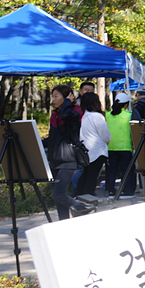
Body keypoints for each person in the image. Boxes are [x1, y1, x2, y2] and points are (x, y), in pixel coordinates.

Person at [45, 84, 93, 219]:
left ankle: (82, 208)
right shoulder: (55, 115)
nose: (53, 100)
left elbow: (66, 115)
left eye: (56, 96)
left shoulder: (76, 112)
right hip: (54, 160)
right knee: (58, 198)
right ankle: (63, 223)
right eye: (52, 97)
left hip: (68, 159)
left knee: (59, 194)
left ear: (67, 97)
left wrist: (68, 102)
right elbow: (53, 137)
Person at [75, 92, 110, 197]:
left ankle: (79, 194)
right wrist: (108, 140)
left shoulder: (85, 116)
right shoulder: (97, 116)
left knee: (85, 174)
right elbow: (105, 134)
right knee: (92, 176)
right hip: (98, 151)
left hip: (86, 150)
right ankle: (89, 196)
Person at [105, 92, 136, 199]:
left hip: (110, 146)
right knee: (125, 169)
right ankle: (125, 190)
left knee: (112, 170)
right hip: (125, 146)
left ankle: (111, 191)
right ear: (126, 104)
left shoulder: (108, 115)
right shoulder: (129, 115)